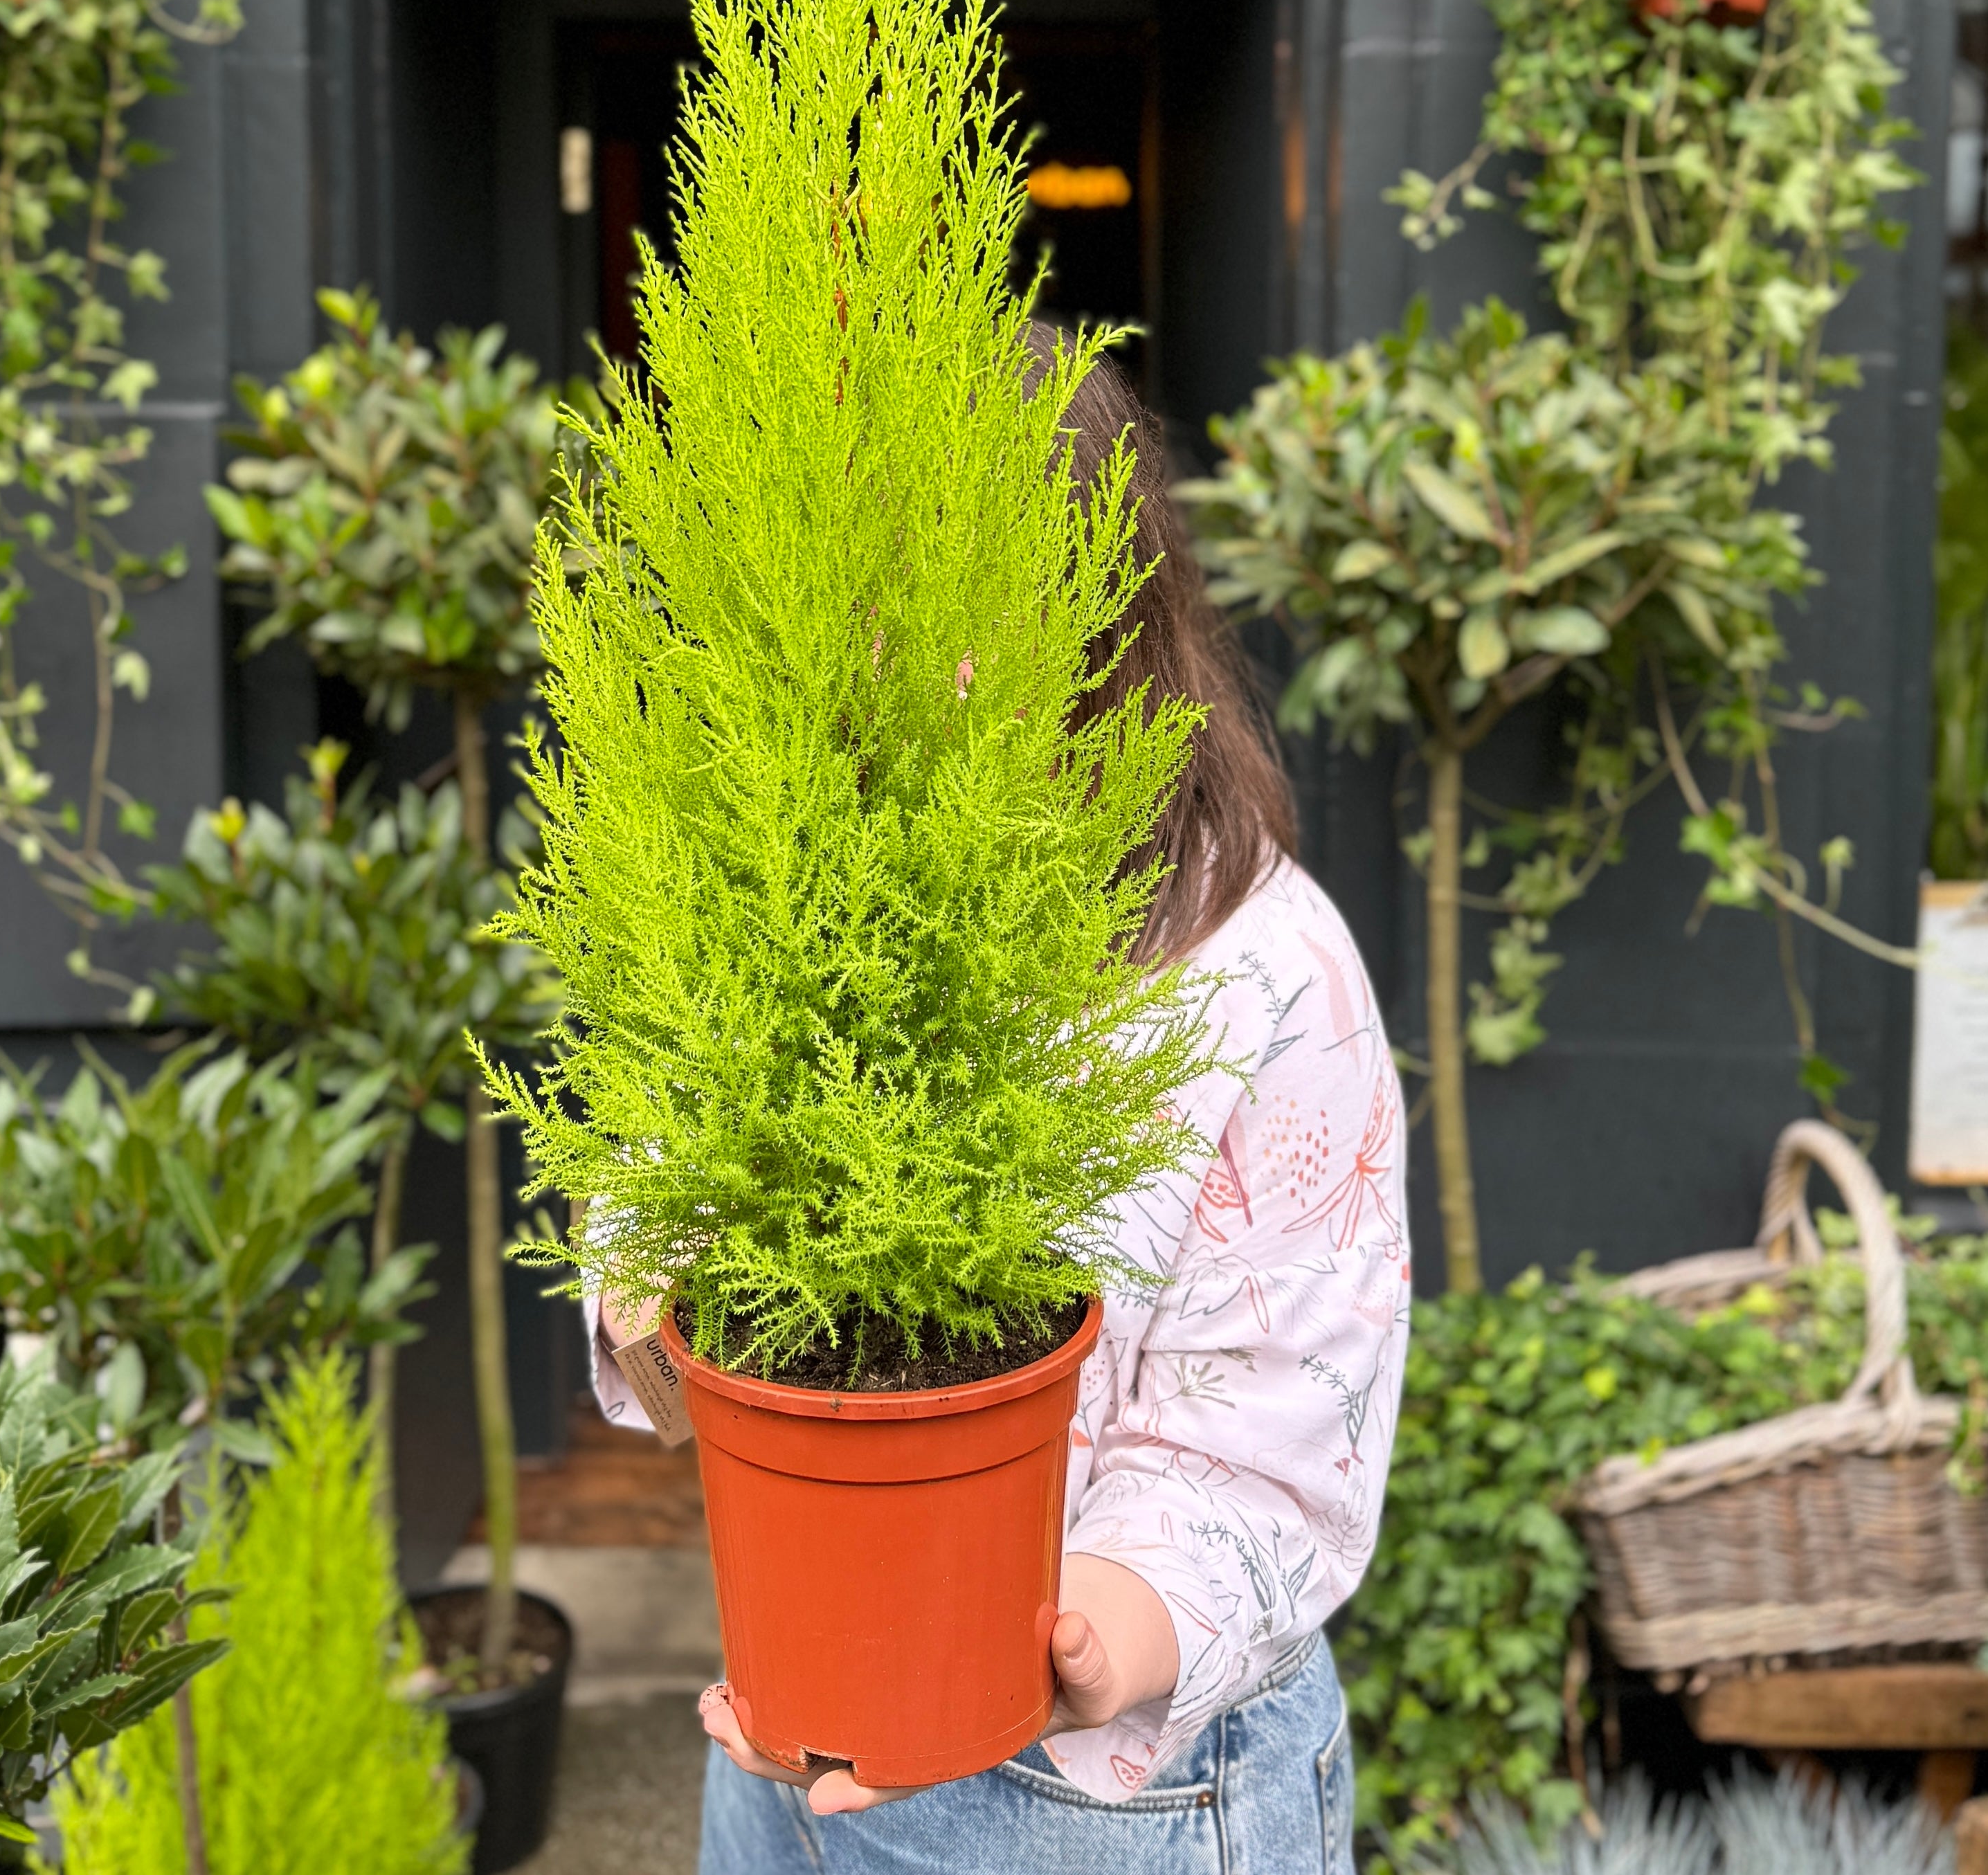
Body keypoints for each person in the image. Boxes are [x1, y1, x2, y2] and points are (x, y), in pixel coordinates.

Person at [590, 333, 1409, 1875]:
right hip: (785, 1742)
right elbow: (665, 1217)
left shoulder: (1258, 965)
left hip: (1113, 1793)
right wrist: (648, 1286)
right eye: (851, 599)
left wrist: (1086, 1625)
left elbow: (1283, 1414)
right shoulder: (777, 901)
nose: (894, 660)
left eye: (963, 600)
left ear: (1103, 613)